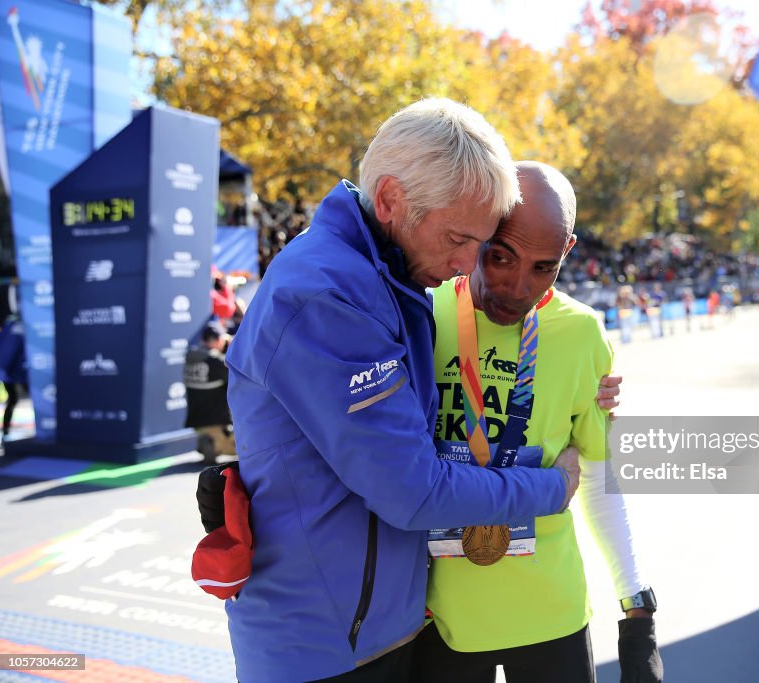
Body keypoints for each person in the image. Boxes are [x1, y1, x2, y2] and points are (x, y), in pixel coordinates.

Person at [217, 98, 581, 682]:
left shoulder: (386, 270)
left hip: (382, 624)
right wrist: (549, 488)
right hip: (325, 646)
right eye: (460, 239)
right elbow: (412, 493)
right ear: (389, 200)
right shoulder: (328, 294)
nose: (467, 266)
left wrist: (585, 375)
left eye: (481, 245)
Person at [411, 162, 661, 683]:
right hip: (439, 621)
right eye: (500, 256)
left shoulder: (580, 332)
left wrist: (637, 608)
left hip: (553, 618)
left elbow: (597, 478)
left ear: (567, 252)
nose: (516, 285)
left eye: (543, 267)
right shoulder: (423, 312)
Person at [183, 321, 234, 464]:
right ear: (219, 341)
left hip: (197, 420)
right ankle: (212, 444)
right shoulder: (215, 362)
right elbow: (239, 371)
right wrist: (232, 347)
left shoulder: (191, 357)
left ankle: (207, 442)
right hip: (216, 422)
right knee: (245, 447)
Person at [0, 314, 27, 440]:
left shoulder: (10, 326)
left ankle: (5, 431)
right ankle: (5, 430)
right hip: (12, 370)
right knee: (13, 399)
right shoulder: (13, 326)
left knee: (13, 399)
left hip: (13, 369)